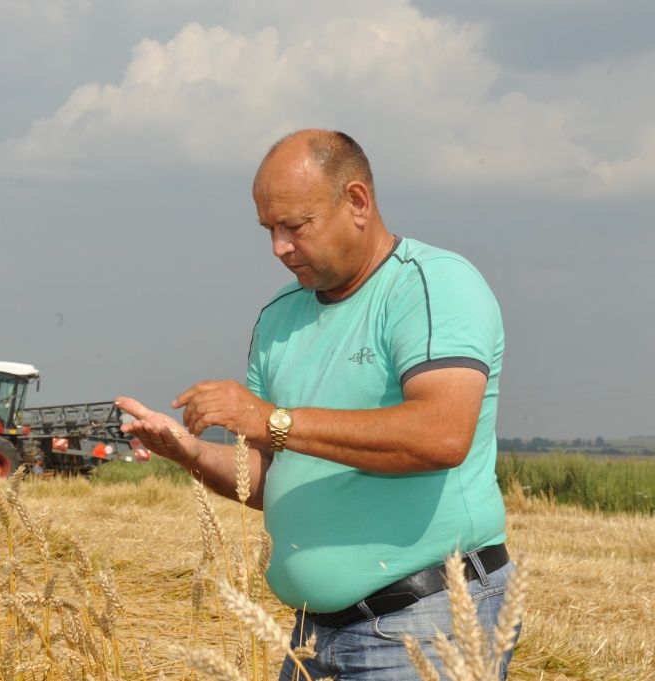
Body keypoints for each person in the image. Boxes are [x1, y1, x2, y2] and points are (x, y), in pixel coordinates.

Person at [118, 129, 517, 680]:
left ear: (357, 201)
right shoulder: (279, 317)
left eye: (294, 226)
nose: (279, 247)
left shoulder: (432, 286)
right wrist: (188, 452)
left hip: (426, 624)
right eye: (269, 229)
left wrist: (269, 419)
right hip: (313, 636)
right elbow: (269, 479)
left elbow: (442, 434)